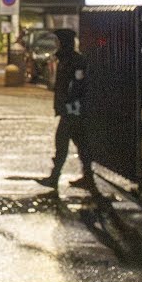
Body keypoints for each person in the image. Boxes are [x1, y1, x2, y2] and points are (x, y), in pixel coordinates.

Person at [36, 28, 97, 194]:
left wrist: (70, 103)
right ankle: (88, 178)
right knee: (80, 144)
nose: (56, 44)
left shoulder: (75, 61)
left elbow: (77, 85)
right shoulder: (65, 59)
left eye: (58, 41)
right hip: (69, 110)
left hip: (72, 110)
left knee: (62, 142)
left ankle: (55, 177)